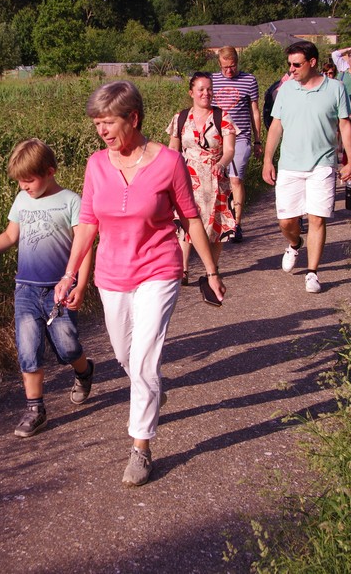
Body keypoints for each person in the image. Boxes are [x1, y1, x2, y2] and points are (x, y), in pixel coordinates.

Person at [55, 80, 224, 487]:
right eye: (96, 123)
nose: (102, 131)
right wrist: (70, 274)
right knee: (125, 356)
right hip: (112, 274)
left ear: (133, 118)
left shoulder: (168, 162)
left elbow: (190, 218)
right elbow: (88, 223)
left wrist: (211, 271)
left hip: (158, 269)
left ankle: (141, 447)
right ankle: (149, 390)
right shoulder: (97, 164)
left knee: (145, 360)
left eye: (109, 122)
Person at [0, 139, 94, 438]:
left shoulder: (71, 201)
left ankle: (84, 371)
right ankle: (35, 409)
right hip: (26, 289)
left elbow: (84, 246)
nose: (24, 186)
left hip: (59, 290)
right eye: (19, 181)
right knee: (28, 348)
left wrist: (82, 284)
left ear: (50, 171)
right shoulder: (22, 199)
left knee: (67, 347)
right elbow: (11, 235)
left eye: (29, 180)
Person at [262, 41, 351, 294]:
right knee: (286, 222)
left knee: (316, 218)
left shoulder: (335, 88)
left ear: (312, 63)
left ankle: (312, 272)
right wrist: (268, 160)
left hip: (322, 164)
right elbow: (276, 126)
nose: (291, 69)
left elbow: (344, 125)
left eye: (296, 64)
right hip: (290, 165)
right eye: (289, 64)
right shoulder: (286, 89)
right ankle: (295, 244)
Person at [167, 72, 237, 283]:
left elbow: (230, 150)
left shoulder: (222, 117)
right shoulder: (180, 118)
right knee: (185, 223)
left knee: (216, 226)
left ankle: (211, 269)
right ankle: (183, 269)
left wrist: (221, 164)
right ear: (191, 93)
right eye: (201, 89)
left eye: (209, 89)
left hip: (216, 179)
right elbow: (173, 149)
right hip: (186, 178)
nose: (206, 93)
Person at [211, 46, 261, 243]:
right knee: (217, 180)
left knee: (235, 179)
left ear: (237, 63)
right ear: (219, 64)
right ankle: (218, 220)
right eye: (225, 67)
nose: (229, 71)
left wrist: (257, 140)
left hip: (240, 137)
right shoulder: (212, 80)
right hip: (217, 137)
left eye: (232, 66)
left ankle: (236, 224)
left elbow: (254, 111)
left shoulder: (249, 80)